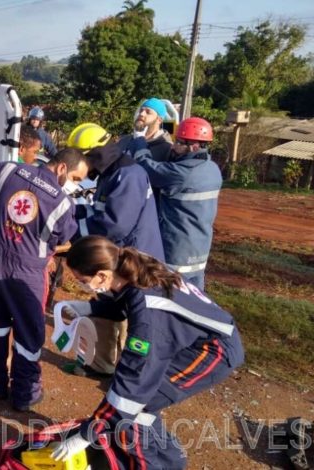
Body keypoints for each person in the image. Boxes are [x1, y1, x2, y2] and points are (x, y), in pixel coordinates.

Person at [51, 235, 244, 469]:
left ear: (102, 275)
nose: (82, 285)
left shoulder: (148, 319)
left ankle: (152, 464)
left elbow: (134, 380)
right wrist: (90, 307)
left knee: (134, 409)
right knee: (135, 405)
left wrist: (85, 435)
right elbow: (127, 300)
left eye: (83, 280)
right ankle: (170, 461)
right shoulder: (131, 263)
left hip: (213, 351)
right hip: (196, 337)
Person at [0, 148, 88, 411]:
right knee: (29, 335)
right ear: (62, 169)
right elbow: (63, 237)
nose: (75, 185)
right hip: (29, 274)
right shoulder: (63, 202)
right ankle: (25, 394)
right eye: (77, 179)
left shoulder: (9, 170)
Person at [66, 123, 164, 378]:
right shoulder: (112, 172)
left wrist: (73, 232)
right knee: (108, 305)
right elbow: (98, 210)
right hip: (119, 256)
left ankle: (134, 374)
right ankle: (104, 365)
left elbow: (115, 226)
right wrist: (70, 211)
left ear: (94, 153)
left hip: (136, 260)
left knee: (137, 316)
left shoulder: (127, 175)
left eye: (81, 157)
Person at [129, 117, 221, 291]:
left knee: (170, 297)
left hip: (176, 250)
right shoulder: (212, 169)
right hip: (199, 250)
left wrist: (140, 140)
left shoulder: (182, 174)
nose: (173, 146)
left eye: (179, 142)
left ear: (194, 146)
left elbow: (146, 167)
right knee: (197, 301)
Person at [118, 97, 174, 162]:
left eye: (148, 112)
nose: (141, 114)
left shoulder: (167, 149)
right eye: (141, 110)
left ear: (159, 120)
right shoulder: (124, 141)